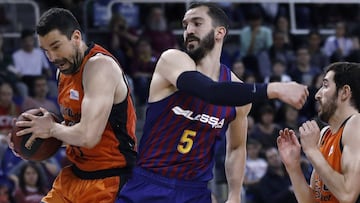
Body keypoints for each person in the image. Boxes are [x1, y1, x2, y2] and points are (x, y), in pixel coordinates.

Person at [117, 3, 308, 203]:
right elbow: (210, 91)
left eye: (197, 23)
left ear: (219, 32)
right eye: (185, 25)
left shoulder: (238, 91)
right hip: (150, 183)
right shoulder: (172, 60)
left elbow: (236, 147)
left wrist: (234, 194)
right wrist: (275, 89)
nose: (189, 30)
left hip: (195, 191)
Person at [8, 8, 137, 203]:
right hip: (74, 175)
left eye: (56, 46)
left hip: (110, 180)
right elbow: (70, 130)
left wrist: (50, 129)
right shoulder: (64, 71)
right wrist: (30, 136)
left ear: (76, 37)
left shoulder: (100, 67)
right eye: (46, 51)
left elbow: (88, 136)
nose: (52, 58)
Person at [277, 62, 360, 203]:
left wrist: (311, 150)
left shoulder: (356, 124)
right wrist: (293, 166)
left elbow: (348, 195)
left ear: (345, 92)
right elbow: (313, 201)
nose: (317, 95)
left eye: (326, 86)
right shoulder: (325, 134)